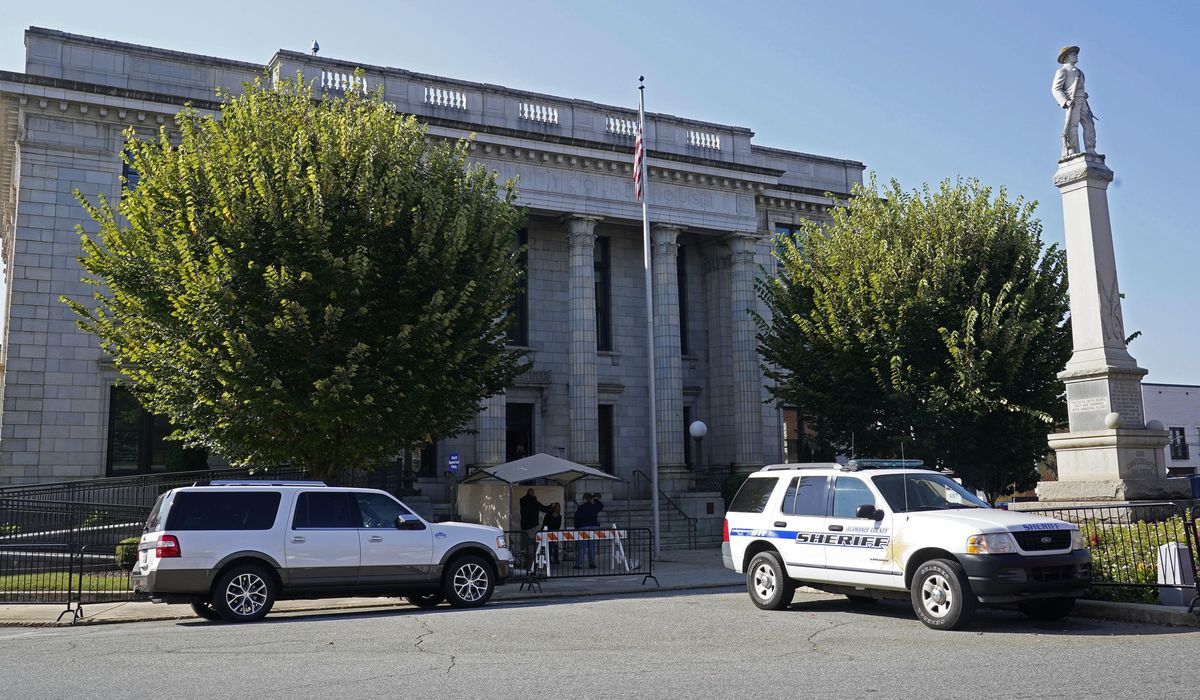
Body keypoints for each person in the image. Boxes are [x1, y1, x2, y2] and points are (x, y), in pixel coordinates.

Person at [1051, 45, 1097, 158]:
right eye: (1073, 54)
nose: (1076, 56)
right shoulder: (1062, 71)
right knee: (1073, 125)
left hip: (1083, 101)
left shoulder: (1080, 72)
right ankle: (1072, 149)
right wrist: (1065, 101)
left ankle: (1091, 148)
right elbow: (1056, 89)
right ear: (1066, 57)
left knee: (1089, 124)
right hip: (1072, 101)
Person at [573, 492, 604, 569]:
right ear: (591, 499)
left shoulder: (581, 507)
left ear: (584, 499)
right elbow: (601, 505)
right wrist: (595, 499)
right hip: (594, 527)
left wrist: (576, 528)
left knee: (581, 547)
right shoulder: (595, 507)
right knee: (592, 546)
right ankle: (592, 563)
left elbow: (576, 519)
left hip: (583, 527)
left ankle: (579, 564)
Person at [519, 488, 551, 562]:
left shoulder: (522, 500)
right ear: (531, 493)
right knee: (532, 542)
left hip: (523, 525)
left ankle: (526, 559)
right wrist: (550, 506)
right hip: (532, 525)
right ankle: (532, 560)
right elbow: (543, 508)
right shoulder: (533, 501)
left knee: (525, 543)